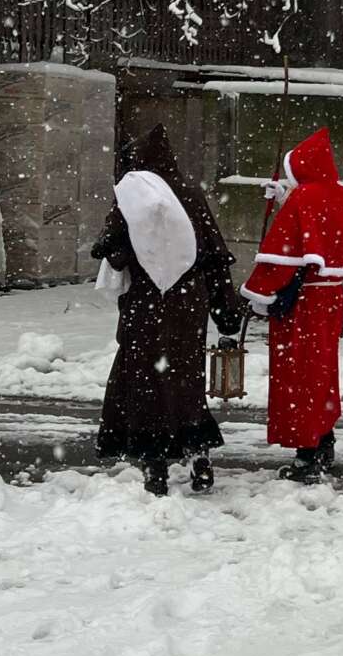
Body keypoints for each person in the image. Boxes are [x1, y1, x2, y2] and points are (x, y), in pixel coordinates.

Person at [92, 126, 245, 496]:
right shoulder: (191, 193)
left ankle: (155, 466)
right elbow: (214, 256)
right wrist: (227, 311)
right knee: (185, 379)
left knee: (145, 381)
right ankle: (198, 455)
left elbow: (114, 250)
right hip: (188, 303)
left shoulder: (133, 196)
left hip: (146, 303)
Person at [241, 125, 343, 483]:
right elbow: (316, 233)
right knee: (322, 371)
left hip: (304, 302)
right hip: (330, 297)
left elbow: (286, 253)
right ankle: (323, 438)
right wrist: (286, 199)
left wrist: (257, 292)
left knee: (300, 374)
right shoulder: (341, 194)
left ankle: (308, 453)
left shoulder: (304, 197)